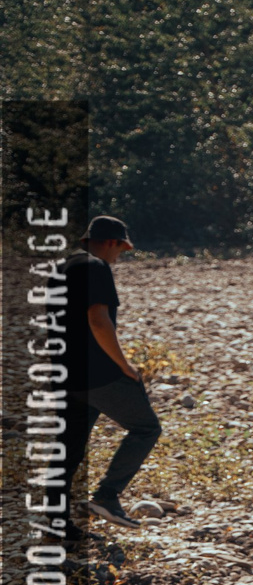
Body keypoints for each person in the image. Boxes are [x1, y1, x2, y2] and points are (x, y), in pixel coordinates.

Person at [67, 214, 162, 531]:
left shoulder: (66, 267)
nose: (118, 256)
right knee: (147, 428)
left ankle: (55, 520)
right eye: (120, 250)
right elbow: (98, 319)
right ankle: (107, 496)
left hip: (68, 372)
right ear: (111, 242)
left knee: (71, 447)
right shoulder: (96, 267)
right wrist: (125, 366)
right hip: (97, 373)